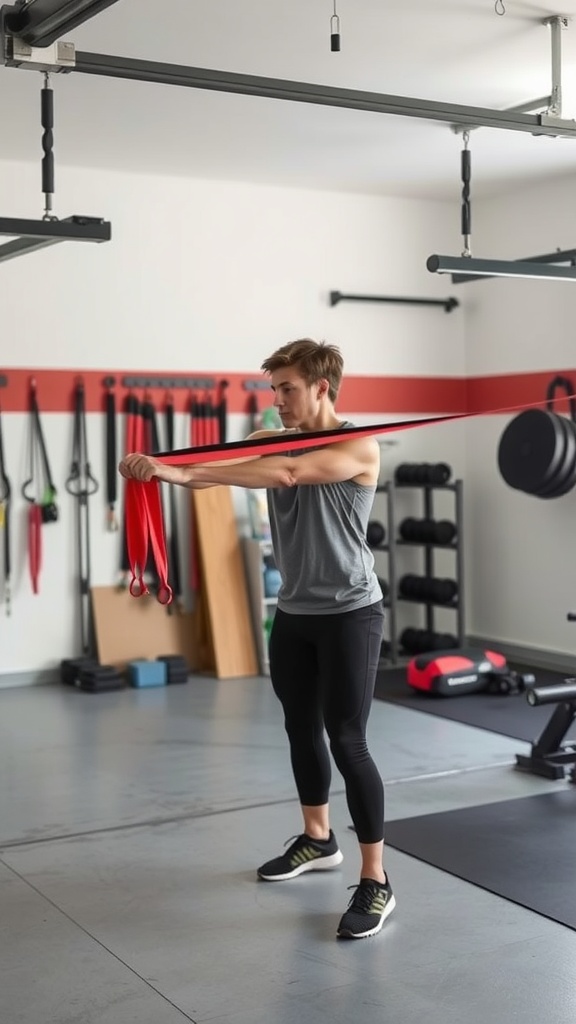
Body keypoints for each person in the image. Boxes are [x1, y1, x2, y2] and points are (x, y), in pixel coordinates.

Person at [119, 338, 395, 940]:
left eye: (287, 389)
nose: (277, 401)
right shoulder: (267, 440)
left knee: (348, 740)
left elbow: (289, 472)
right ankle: (318, 838)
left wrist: (180, 469)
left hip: (351, 612)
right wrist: (158, 469)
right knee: (300, 726)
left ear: (322, 387)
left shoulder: (357, 445)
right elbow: (218, 473)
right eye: (273, 390)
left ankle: (376, 880)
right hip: (294, 612)